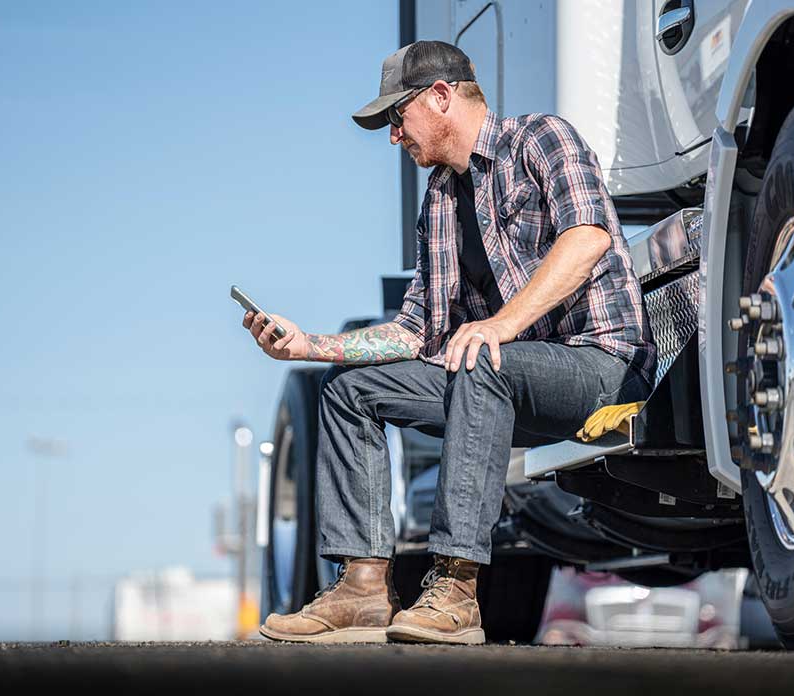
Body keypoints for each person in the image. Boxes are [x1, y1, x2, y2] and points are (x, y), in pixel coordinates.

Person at [243, 40, 655, 645]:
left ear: (439, 98)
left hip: (599, 366)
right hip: (501, 381)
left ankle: (456, 589)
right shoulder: (439, 200)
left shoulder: (543, 138)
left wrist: (501, 324)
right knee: (349, 390)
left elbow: (587, 237)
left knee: (483, 361)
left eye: (395, 117)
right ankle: (360, 589)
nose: (392, 136)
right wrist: (309, 345)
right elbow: (415, 330)